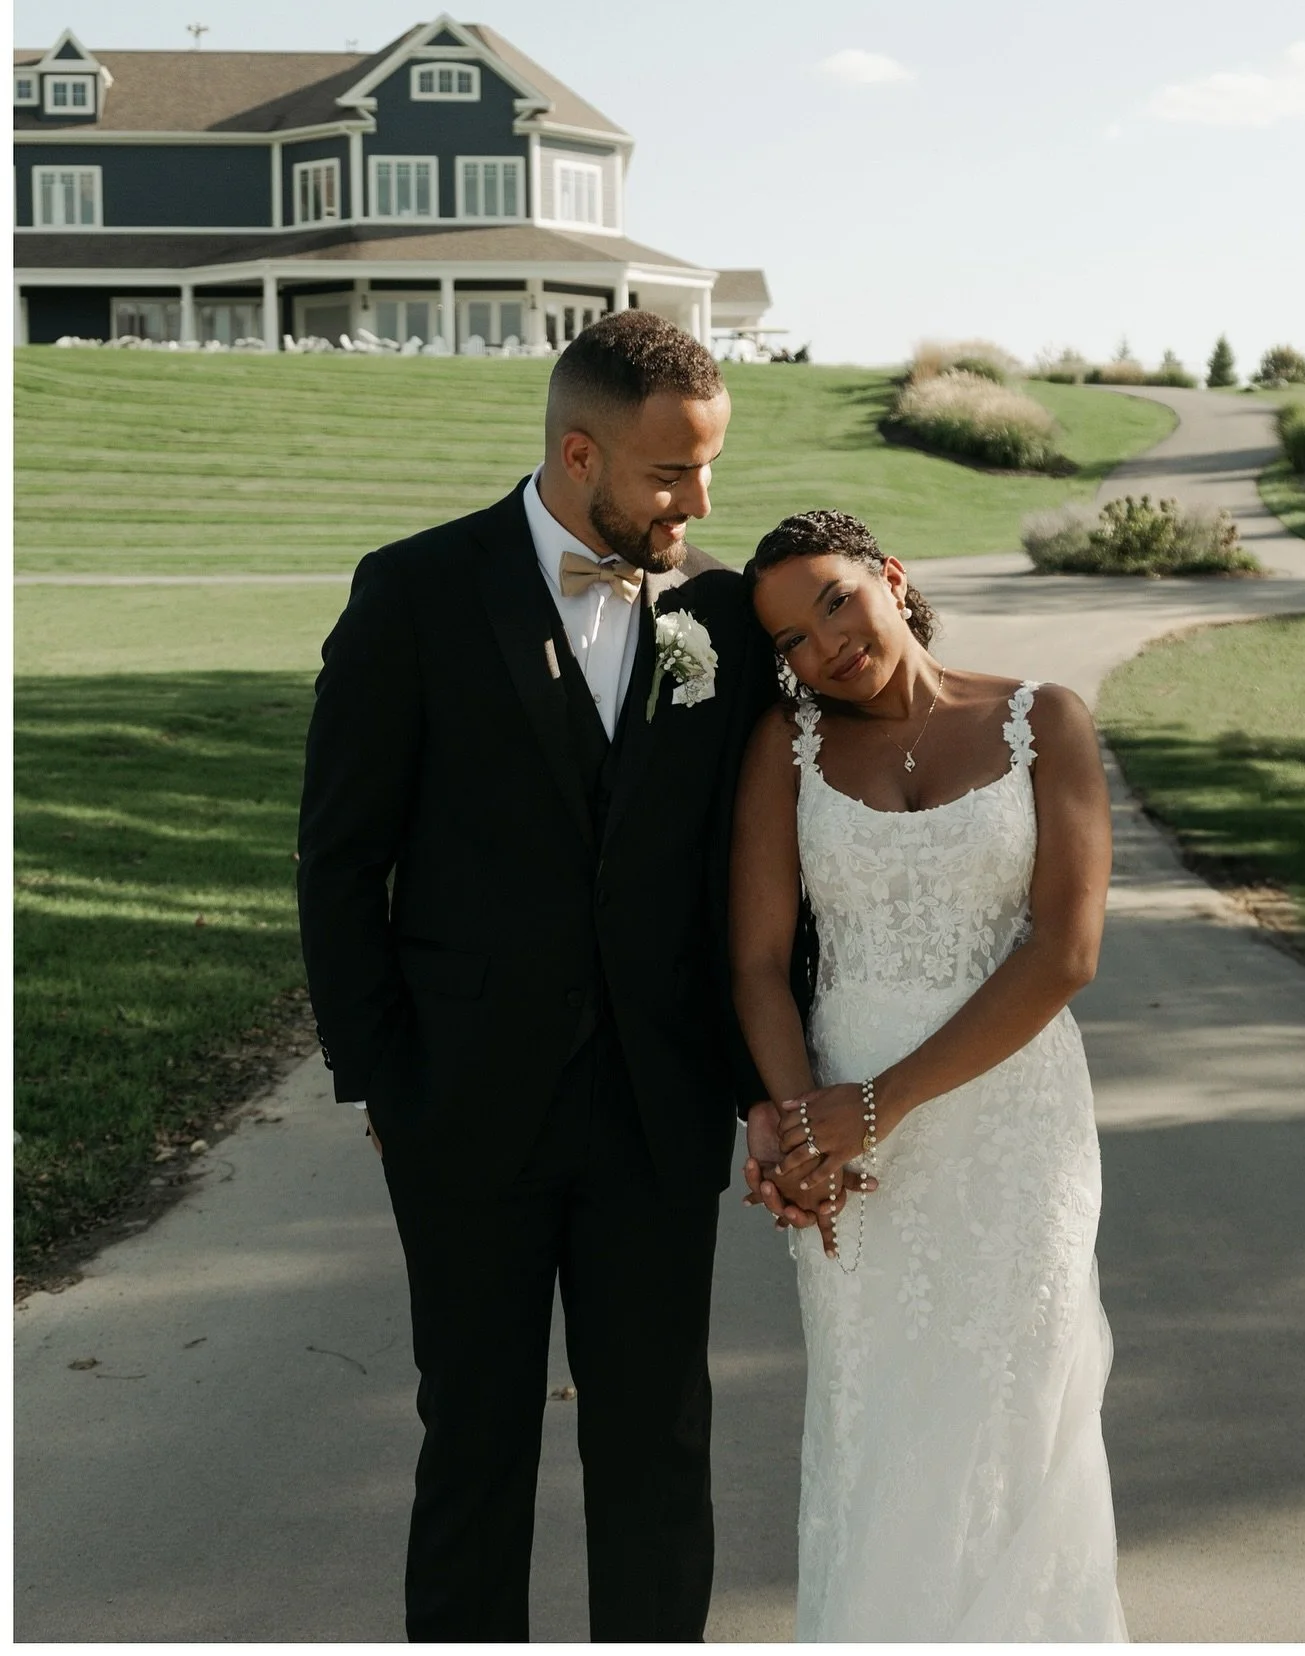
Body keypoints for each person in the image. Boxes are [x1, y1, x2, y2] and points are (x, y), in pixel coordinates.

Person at [296, 312, 781, 1642]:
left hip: (655, 1111)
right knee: (474, 1448)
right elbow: (341, 861)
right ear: (580, 455)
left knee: (658, 1455)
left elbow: (760, 870)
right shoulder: (415, 593)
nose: (699, 501)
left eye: (709, 468)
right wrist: (385, 1079)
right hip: (463, 1107)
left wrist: (752, 1082)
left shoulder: (725, 616)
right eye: (673, 474)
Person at [730, 509, 1127, 1641]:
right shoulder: (786, 748)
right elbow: (757, 962)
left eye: (836, 600)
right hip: (848, 1134)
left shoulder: (1044, 719)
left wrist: (875, 1106)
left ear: (891, 578)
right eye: (794, 639)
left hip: (1012, 1123)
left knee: (1017, 1405)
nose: (828, 644)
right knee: (880, 1421)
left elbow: (1067, 951)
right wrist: (808, 1131)